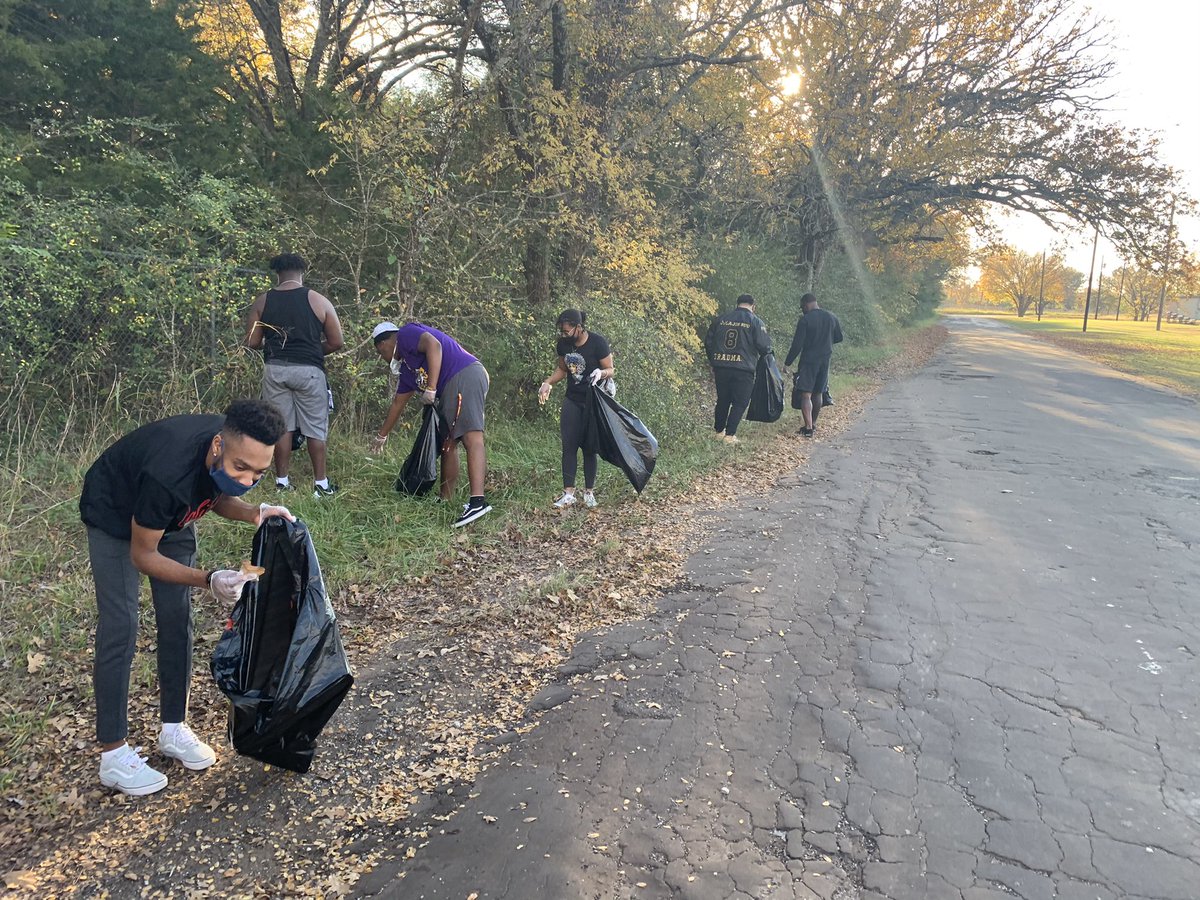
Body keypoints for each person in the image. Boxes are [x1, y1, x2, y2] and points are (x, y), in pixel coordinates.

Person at [79, 399, 295, 796]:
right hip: (114, 512)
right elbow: (143, 556)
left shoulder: (230, 444)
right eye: (241, 467)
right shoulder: (168, 474)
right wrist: (209, 579)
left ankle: (173, 728)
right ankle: (113, 755)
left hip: (171, 515)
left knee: (177, 617)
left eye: (259, 473)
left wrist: (255, 512)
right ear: (217, 446)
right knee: (121, 625)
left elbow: (217, 494)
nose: (248, 479)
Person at [370, 322, 493, 527]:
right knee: (448, 443)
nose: (382, 357)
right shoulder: (408, 369)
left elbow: (434, 345)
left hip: (463, 375)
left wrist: (431, 388)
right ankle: (445, 499)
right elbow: (398, 403)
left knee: (471, 437)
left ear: (383, 344)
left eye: (379, 352)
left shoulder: (405, 334)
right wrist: (381, 436)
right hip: (451, 386)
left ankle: (477, 502)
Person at [244, 253, 344, 498]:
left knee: (282, 426)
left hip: (275, 369)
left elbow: (252, 342)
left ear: (277, 274)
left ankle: (282, 482)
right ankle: (321, 485)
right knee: (315, 427)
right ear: (302, 273)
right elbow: (336, 341)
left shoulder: (262, 301)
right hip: (309, 371)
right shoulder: (318, 300)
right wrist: (312, 351)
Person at [537, 309, 614, 508]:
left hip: (592, 402)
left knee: (590, 447)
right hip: (572, 399)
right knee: (569, 445)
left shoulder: (597, 342)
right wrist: (548, 382)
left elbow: (611, 369)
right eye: (562, 331)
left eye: (567, 331)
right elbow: (562, 369)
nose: (564, 335)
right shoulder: (564, 345)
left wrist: (601, 373)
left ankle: (589, 492)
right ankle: (568, 493)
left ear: (579, 327)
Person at [704, 293, 772, 444]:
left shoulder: (721, 319)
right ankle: (730, 435)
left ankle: (719, 432)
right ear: (753, 306)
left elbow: (708, 342)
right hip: (744, 369)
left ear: (738, 303)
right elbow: (764, 346)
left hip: (721, 367)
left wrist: (714, 360)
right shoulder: (755, 321)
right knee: (740, 402)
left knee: (723, 399)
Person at [784, 292, 843, 437]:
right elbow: (839, 337)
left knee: (806, 394)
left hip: (809, 361)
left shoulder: (806, 320)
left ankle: (808, 428)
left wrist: (787, 363)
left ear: (806, 304)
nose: (802, 310)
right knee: (818, 392)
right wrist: (826, 342)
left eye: (802, 307)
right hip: (825, 360)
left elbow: (797, 345)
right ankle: (813, 424)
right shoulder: (831, 317)